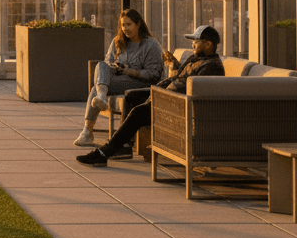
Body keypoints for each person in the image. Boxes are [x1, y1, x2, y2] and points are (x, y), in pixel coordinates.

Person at [76, 24, 225, 167]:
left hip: (178, 105)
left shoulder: (211, 66)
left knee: (138, 112)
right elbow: (176, 79)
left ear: (208, 44)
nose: (193, 45)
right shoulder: (195, 59)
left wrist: (159, 95)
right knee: (131, 96)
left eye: (196, 41)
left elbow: (191, 91)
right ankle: (125, 146)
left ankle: (103, 153)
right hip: (167, 96)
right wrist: (158, 88)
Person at [74, 9, 163, 148]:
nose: (125, 28)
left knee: (95, 88)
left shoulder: (150, 44)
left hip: (140, 84)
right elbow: (107, 63)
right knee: (101, 65)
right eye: (123, 25)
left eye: (129, 24)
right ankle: (101, 98)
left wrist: (130, 71)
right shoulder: (118, 41)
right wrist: (116, 68)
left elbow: (154, 74)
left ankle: (87, 132)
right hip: (119, 79)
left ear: (138, 24)